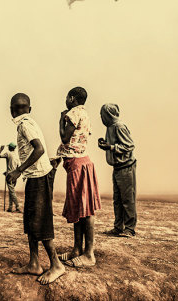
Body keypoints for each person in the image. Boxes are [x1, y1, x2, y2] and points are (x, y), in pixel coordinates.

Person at [6, 93, 65, 285]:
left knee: (41, 222)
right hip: (34, 177)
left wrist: (17, 171)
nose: (19, 110)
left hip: (39, 177)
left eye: (20, 107)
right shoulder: (28, 122)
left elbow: (38, 149)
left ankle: (56, 265)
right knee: (31, 221)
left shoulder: (25, 124)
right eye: (18, 107)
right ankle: (34, 263)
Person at [56, 87, 101, 268]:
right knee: (79, 209)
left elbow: (65, 138)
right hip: (80, 164)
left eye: (67, 97)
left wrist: (60, 120)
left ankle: (89, 254)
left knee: (86, 211)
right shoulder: (84, 113)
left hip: (78, 165)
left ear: (72, 98)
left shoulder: (73, 113)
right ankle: (77, 249)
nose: (65, 100)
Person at [99, 103, 137, 237]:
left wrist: (111, 147)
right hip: (118, 167)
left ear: (108, 114)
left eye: (102, 114)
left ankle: (130, 229)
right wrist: (107, 145)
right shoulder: (110, 127)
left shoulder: (119, 126)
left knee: (127, 199)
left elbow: (129, 145)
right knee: (118, 199)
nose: (101, 117)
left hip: (126, 167)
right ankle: (118, 227)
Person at [0, 142, 21, 212]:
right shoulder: (16, 156)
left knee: (12, 192)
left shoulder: (8, 153)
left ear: (10, 148)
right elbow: (18, 167)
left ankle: (17, 207)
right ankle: (10, 207)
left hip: (9, 175)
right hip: (15, 176)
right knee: (11, 192)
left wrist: (1, 150)